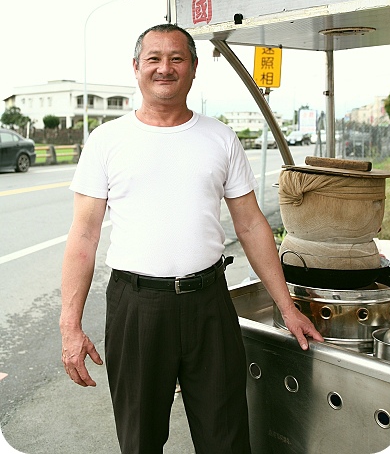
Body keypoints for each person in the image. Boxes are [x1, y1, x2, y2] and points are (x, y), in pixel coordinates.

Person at [60, 23, 323, 454]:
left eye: (177, 59)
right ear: (136, 67)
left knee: (227, 436)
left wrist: (287, 306)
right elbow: (84, 236)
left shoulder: (219, 137)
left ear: (194, 69)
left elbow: (252, 225)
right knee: (140, 438)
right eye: (154, 59)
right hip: (136, 306)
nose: (165, 68)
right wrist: (70, 326)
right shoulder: (106, 141)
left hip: (209, 304)